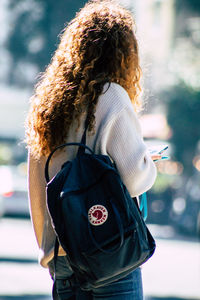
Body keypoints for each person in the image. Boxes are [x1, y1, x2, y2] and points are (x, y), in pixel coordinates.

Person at [25, 0, 159, 299]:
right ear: (123, 54)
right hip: (108, 255)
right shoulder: (111, 96)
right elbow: (136, 178)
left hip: (63, 258)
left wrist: (50, 252)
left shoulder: (48, 105)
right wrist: (149, 161)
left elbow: (37, 189)